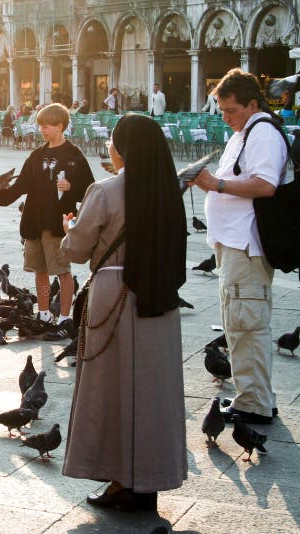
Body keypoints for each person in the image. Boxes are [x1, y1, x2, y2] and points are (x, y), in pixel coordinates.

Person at [61, 113, 188, 512]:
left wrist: (70, 228)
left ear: (123, 149)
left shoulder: (106, 189)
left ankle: (119, 480)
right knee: (152, 392)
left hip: (115, 296)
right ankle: (149, 479)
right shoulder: (168, 191)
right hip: (159, 301)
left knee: (110, 390)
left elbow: (77, 250)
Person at [191, 68, 288, 425]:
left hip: (246, 246)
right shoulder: (246, 131)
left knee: (246, 324)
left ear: (251, 103)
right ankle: (258, 396)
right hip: (234, 244)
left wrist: (215, 185)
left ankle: (254, 404)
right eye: (222, 111)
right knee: (241, 323)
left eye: (231, 110)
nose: (226, 117)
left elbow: (265, 184)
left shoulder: (262, 133)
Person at [0, 103, 94, 340]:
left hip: (57, 223)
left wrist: (72, 187)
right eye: (40, 125)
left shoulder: (74, 156)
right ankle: (43, 313)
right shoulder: (37, 155)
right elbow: (20, 186)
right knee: (39, 271)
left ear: (60, 126)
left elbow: (90, 191)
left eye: (45, 125)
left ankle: (65, 318)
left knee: (62, 272)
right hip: (34, 222)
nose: (41, 129)